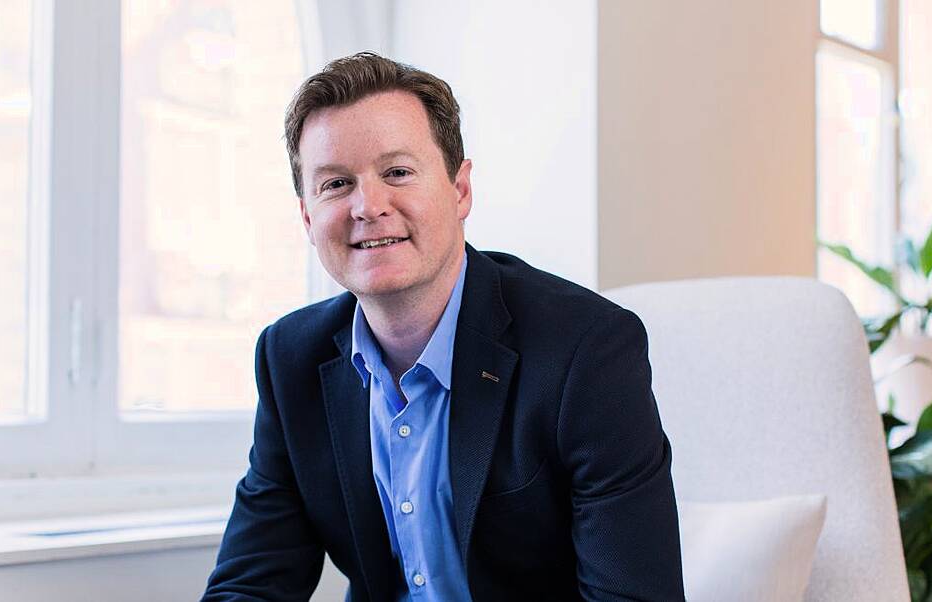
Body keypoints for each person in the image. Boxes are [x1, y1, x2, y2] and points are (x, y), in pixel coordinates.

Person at [202, 52, 683, 601]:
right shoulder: (289, 358)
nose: (368, 206)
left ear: (460, 191)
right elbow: (251, 583)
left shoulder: (586, 350)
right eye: (335, 183)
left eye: (398, 172)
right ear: (308, 218)